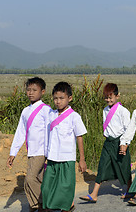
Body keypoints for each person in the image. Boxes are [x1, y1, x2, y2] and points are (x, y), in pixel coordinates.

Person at [79, 83, 132, 203]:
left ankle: (130, 188)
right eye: (106, 98)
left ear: (117, 96)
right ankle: (94, 194)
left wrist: (125, 144)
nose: (108, 100)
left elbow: (128, 129)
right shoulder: (105, 110)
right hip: (108, 143)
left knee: (123, 166)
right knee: (102, 166)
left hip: (120, 142)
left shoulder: (123, 111)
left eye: (110, 97)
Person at [6, 77, 51, 212]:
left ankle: (39, 204)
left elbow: (50, 132)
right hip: (31, 151)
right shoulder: (25, 111)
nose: (30, 93)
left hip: (41, 151)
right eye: (28, 90)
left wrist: (50, 152)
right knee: (39, 179)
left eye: (34, 90)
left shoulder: (46, 110)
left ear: (42, 92)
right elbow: (20, 132)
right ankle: (41, 205)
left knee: (29, 179)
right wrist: (13, 152)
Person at [41, 82, 87, 212]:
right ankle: (48, 206)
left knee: (65, 186)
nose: (58, 101)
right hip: (52, 157)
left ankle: (68, 206)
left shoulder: (74, 116)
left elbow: (79, 137)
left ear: (69, 98)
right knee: (47, 187)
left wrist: (82, 159)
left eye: (61, 98)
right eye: (55, 98)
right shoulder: (51, 115)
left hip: (67, 157)